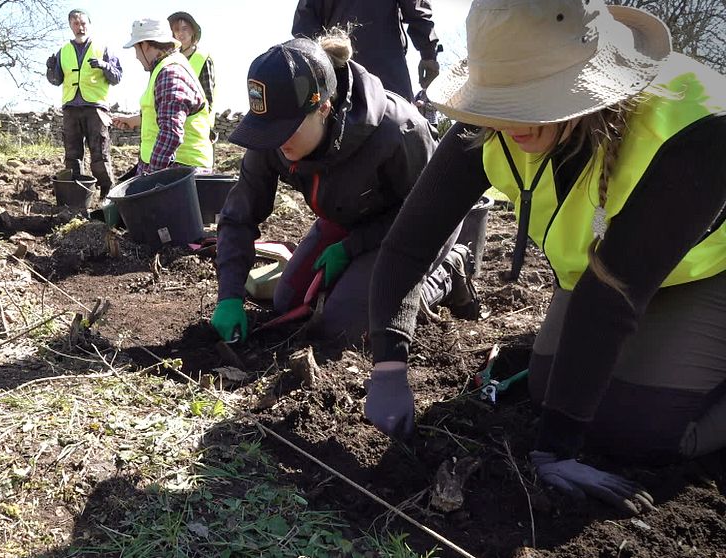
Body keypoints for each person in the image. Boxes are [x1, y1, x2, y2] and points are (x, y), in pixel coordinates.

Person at [365, 0, 726, 515]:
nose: (516, 121)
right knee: (546, 390)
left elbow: (614, 295)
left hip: (708, 268)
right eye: (505, 100)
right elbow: (408, 244)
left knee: (639, 430)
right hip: (604, 276)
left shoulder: (696, 125)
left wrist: (556, 450)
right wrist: (388, 363)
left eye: (534, 100)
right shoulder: (486, 122)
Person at [210, 31, 477, 344]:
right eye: (267, 130)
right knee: (288, 300)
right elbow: (239, 216)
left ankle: (448, 270)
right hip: (348, 217)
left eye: (286, 130)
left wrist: (352, 247)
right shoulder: (272, 141)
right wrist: (229, 296)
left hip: (420, 225)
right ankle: (362, 282)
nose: (277, 142)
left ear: (323, 108)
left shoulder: (397, 130)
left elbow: (427, 214)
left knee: (349, 325)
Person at [112, 18, 212, 176]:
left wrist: (151, 179)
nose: (137, 56)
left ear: (145, 45)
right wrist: (133, 120)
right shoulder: (165, 68)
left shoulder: (170, 73)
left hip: (180, 172)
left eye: (136, 49)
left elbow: (170, 133)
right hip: (172, 169)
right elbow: (165, 114)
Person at [291, 0, 440, 102]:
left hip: (339, 74)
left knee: (343, 136)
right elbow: (416, 7)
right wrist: (428, 54)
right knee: (404, 131)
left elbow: (304, 28)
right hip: (387, 73)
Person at [45, 9, 122, 197]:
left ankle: (106, 193)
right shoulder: (63, 51)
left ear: (89, 24)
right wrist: (49, 69)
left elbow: (117, 77)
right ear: (71, 26)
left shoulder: (103, 48)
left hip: (96, 108)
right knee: (72, 154)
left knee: (100, 152)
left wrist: (104, 66)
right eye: (76, 24)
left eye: (83, 23)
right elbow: (56, 80)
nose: (80, 27)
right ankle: (75, 194)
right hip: (71, 108)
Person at [168, 11, 217, 139]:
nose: (180, 33)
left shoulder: (202, 58)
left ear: (192, 31)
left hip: (198, 129)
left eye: (185, 29)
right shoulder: (170, 59)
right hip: (174, 126)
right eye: (177, 30)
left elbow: (208, 98)